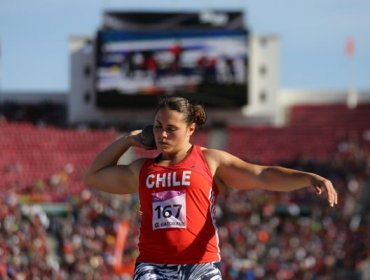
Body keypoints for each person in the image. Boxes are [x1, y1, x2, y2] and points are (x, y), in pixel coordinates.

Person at [84, 96, 338, 279]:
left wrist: (307, 177)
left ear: (191, 129)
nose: (162, 135)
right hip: (154, 267)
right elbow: (94, 176)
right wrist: (129, 139)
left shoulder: (210, 161)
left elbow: (262, 175)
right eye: (158, 127)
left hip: (201, 266)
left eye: (171, 129)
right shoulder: (142, 170)